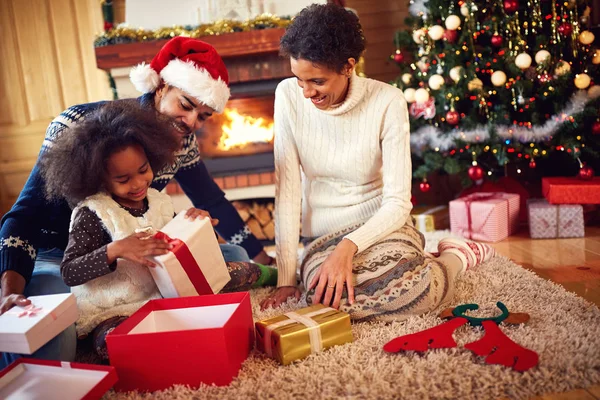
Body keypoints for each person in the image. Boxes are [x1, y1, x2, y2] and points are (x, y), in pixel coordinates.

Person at [0, 37, 273, 368]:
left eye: (203, 116)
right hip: (62, 259)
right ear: (161, 87)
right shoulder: (77, 124)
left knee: (233, 256)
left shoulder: (181, 144)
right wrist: (9, 290)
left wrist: (269, 262)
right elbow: (24, 216)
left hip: (134, 260)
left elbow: (211, 200)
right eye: (186, 105)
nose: (191, 123)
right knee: (53, 342)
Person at [260, 4, 496, 321]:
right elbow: (287, 192)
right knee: (324, 299)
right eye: (299, 80)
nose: (305, 92)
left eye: (317, 81)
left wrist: (349, 247)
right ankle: (416, 263)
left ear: (348, 66)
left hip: (381, 228)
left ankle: (454, 257)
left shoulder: (388, 101)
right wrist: (287, 279)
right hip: (322, 237)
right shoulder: (287, 96)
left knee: (415, 290)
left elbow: (398, 203)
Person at [39, 101, 276, 361]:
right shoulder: (93, 213)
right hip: (113, 310)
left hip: (164, 295)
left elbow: (178, 247)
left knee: (235, 267)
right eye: (123, 179)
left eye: (143, 171)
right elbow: (70, 271)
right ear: (98, 178)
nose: (139, 183)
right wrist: (115, 250)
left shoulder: (158, 200)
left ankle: (274, 276)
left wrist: (197, 225)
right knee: (116, 342)